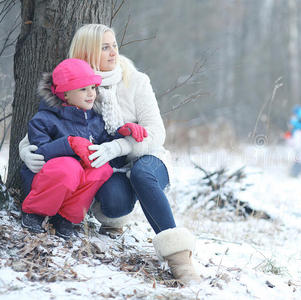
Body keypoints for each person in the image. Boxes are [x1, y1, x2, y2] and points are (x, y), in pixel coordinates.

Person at [19, 24, 200, 284]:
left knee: (142, 174)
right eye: (105, 47)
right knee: (114, 203)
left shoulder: (135, 80)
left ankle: (180, 258)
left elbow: (156, 134)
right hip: (110, 168)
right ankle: (118, 211)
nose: (114, 52)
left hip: (145, 157)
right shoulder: (73, 84)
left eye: (114, 45)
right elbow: (39, 128)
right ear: (87, 51)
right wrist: (26, 152)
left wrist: (119, 145)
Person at [21, 58, 145, 239]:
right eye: (83, 89)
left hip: (74, 187)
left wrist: (123, 134)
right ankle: (34, 213)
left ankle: (65, 218)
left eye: (93, 88)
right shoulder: (44, 119)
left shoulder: (95, 120)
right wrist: (68, 143)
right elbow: (39, 154)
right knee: (69, 167)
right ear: (64, 94)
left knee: (102, 168)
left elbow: (111, 159)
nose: (91, 94)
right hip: (47, 182)